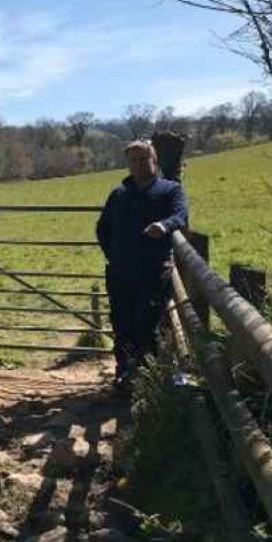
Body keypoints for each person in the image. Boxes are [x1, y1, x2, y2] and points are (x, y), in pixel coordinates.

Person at [96, 139, 188, 389]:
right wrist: (112, 254)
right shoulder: (118, 195)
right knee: (122, 323)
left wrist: (164, 225)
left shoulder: (170, 190)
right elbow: (102, 228)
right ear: (128, 163)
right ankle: (124, 373)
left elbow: (180, 215)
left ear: (154, 160)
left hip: (153, 270)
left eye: (143, 158)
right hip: (119, 273)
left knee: (148, 323)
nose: (138, 164)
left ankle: (149, 378)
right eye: (133, 160)